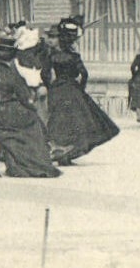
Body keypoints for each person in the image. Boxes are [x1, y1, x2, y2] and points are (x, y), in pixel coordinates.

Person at [0, 33, 61, 178]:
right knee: (33, 122)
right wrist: (31, 106)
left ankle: (18, 164)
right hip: (9, 111)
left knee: (26, 122)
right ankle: (32, 164)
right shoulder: (10, 72)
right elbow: (23, 94)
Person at [42, 17, 120, 163]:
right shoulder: (73, 56)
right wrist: (80, 88)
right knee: (78, 122)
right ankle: (68, 154)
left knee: (59, 122)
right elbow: (84, 73)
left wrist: (50, 86)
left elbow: (44, 74)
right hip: (72, 89)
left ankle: (60, 151)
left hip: (57, 90)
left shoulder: (51, 57)